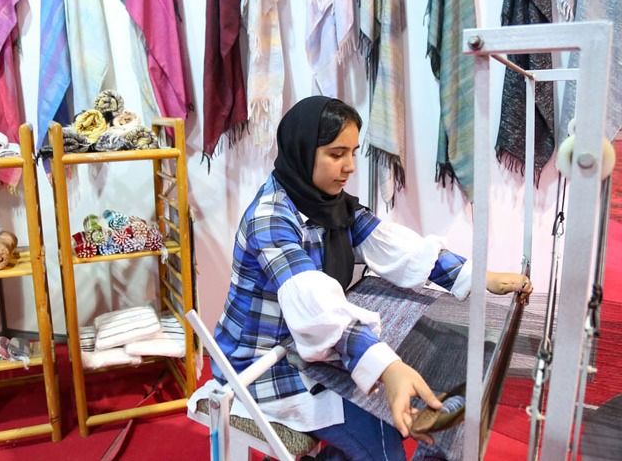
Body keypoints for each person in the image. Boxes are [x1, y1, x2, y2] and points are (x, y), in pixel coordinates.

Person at [210, 96, 532, 460]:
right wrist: (388, 368)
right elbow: (313, 304)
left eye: (353, 153)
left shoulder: (332, 204)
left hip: (301, 346)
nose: (349, 166)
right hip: (261, 364)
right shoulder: (270, 219)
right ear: (302, 150)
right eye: (336, 154)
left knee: (421, 371)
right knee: (381, 436)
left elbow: (397, 250)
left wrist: (476, 276)